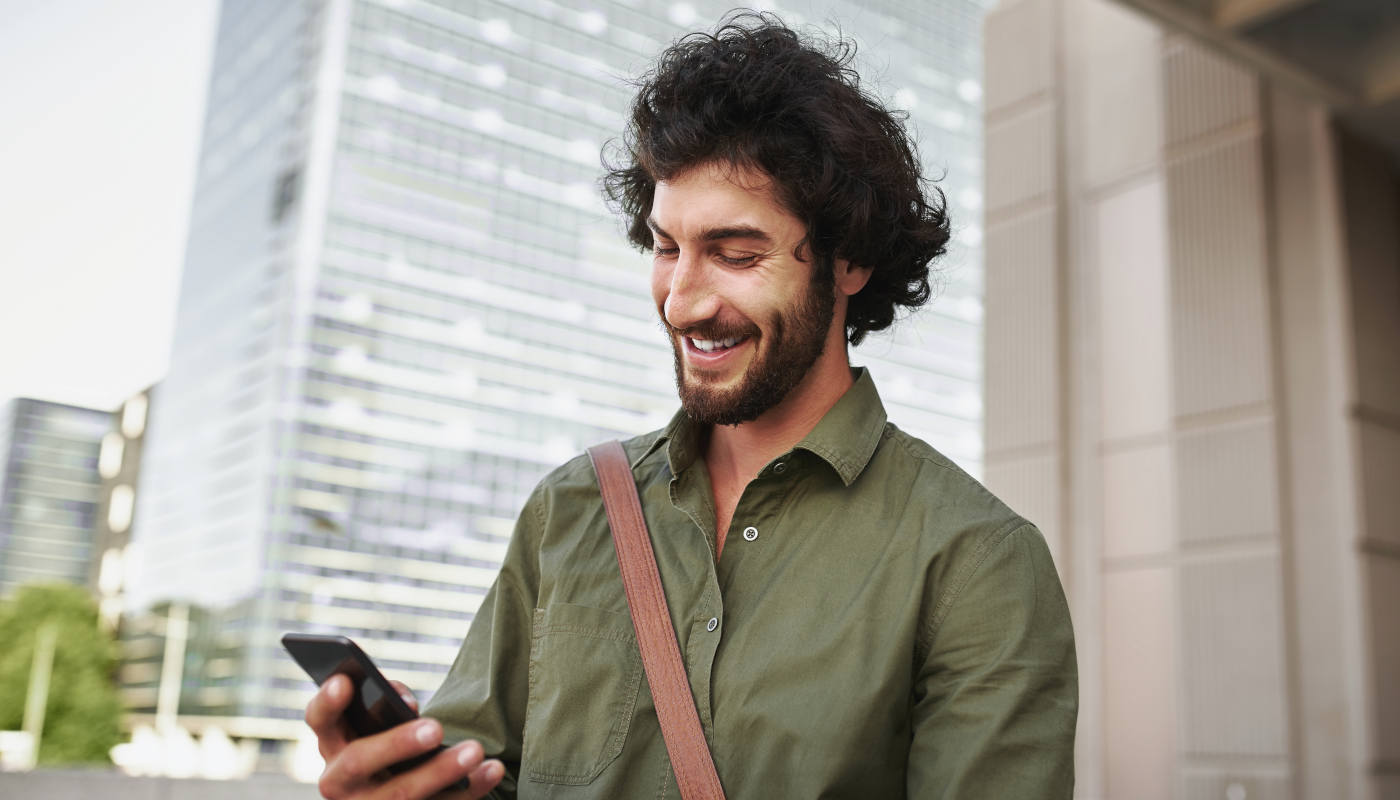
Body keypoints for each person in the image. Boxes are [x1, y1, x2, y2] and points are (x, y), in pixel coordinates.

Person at [304, 12, 1077, 799]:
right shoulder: (568, 510)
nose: (680, 303)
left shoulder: (978, 563)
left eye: (735, 254)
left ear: (850, 262)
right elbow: (489, 775)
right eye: (667, 248)